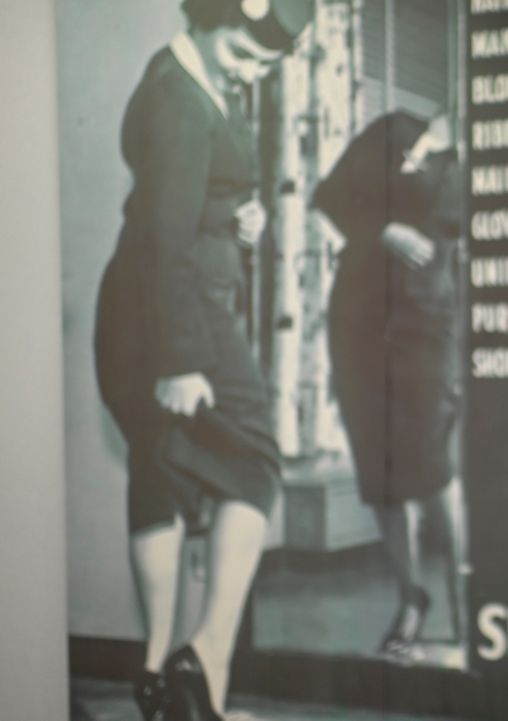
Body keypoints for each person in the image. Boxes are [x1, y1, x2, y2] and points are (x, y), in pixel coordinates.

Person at [92, 0, 311, 718]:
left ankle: (161, 680)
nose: (249, 72)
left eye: (263, 64)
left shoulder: (185, 82)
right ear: (211, 18)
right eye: (243, 53)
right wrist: (180, 358)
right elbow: (165, 234)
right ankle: (204, 658)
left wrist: (236, 217)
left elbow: (180, 204)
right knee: (255, 460)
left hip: (148, 303)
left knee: (162, 469)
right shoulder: (180, 100)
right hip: (176, 309)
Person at [312, 110, 466, 661]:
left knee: (430, 464)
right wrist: (383, 228)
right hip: (357, 320)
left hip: (427, 325)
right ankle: (412, 599)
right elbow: (327, 195)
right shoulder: (393, 130)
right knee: (378, 468)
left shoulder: (478, 161)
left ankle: (466, 602)